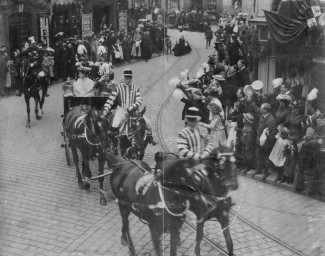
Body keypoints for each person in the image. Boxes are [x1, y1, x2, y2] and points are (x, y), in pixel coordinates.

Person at [102, 69, 156, 145]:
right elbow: (111, 99)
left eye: (130, 78)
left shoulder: (135, 88)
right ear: (123, 78)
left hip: (134, 112)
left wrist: (133, 107)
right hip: (122, 111)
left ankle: (150, 137)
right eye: (127, 78)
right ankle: (114, 144)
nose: (128, 80)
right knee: (115, 125)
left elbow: (139, 100)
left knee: (148, 123)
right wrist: (105, 109)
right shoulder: (118, 88)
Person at [252, 103, 277, 181]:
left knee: (266, 157)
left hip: (266, 142)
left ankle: (265, 172)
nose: (260, 109)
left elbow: (272, 135)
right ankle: (259, 169)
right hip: (259, 140)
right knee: (258, 154)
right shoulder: (263, 116)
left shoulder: (271, 120)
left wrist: (266, 138)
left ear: (266, 110)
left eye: (261, 108)